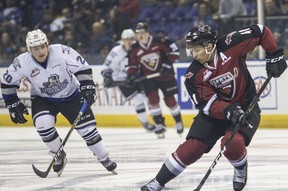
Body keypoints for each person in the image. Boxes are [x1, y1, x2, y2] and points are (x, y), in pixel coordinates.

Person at [140, 24, 287, 191]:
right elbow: (207, 105)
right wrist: (228, 110)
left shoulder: (232, 43)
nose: (193, 55)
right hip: (215, 113)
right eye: (191, 50)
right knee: (191, 148)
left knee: (231, 144)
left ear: (209, 46)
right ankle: (158, 181)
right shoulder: (193, 75)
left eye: (196, 50)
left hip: (247, 106)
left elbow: (262, 31)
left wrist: (274, 54)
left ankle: (240, 167)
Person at [0, 29, 117, 177]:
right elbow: (7, 82)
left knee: (88, 132)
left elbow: (83, 67)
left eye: (43, 46)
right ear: (29, 49)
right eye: (36, 49)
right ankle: (58, 154)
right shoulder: (22, 62)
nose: (41, 51)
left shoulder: (61, 51)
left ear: (47, 44)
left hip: (71, 95)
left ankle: (104, 158)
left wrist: (87, 86)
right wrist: (12, 103)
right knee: (43, 125)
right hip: (43, 99)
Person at [126, 22, 184, 138]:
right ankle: (160, 125)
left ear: (148, 33)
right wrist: (131, 75)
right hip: (148, 79)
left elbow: (174, 53)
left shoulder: (161, 41)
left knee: (170, 101)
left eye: (142, 33)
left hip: (165, 76)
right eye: (138, 33)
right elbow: (132, 64)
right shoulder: (134, 48)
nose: (140, 35)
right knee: (153, 100)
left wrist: (167, 65)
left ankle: (178, 122)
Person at [101, 29, 156, 131]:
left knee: (150, 98)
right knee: (138, 100)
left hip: (137, 78)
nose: (129, 41)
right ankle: (146, 123)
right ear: (122, 40)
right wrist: (107, 76)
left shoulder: (138, 49)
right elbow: (106, 66)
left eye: (131, 39)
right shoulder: (116, 51)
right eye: (126, 39)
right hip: (122, 80)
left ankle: (157, 120)